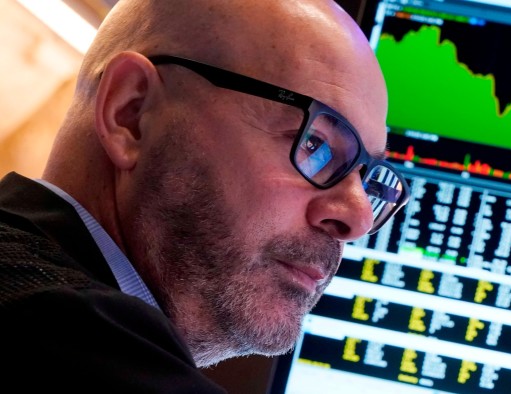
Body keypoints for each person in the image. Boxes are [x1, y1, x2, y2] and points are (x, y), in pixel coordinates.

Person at [0, 0, 408, 391]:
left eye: (371, 180)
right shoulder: (65, 338)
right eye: (313, 144)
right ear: (132, 113)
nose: (359, 219)